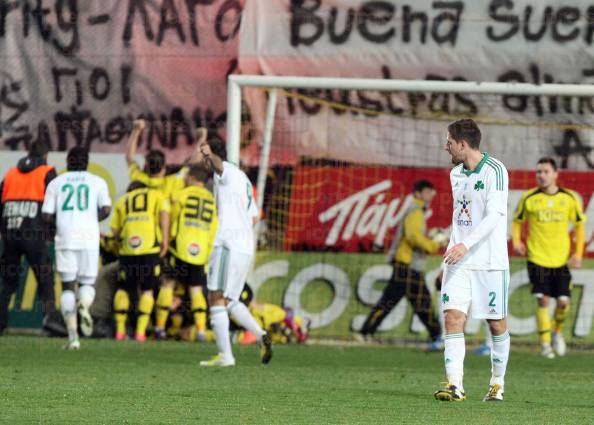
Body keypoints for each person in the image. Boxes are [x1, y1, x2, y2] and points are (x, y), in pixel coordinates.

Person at [434, 119, 510, 403]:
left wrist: (466, 244)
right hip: (458, 260)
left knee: (496, 324)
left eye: (449, 141)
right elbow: (461, 216)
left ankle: (497, 383)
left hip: (489, 262)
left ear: (462, 144)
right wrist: (454, 242)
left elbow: (494, 216)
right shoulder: (455, 174)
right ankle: (455, 385)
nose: (446, 146)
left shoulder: (496, 171)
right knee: (452, 317)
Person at [197, 136, 272, 367]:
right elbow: (254, 216)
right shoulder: (244, 179)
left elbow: (219, 165)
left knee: (215, 297)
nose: (203, 162)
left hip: (228, 244)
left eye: (205, 156)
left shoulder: (225, 172)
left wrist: (209, 154)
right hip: (244, 247)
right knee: (230, 300)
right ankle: (260, 335)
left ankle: (226, 356)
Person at [356, 180, 446, 351]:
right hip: (407, 266)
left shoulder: (416, 211)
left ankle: (365, 332)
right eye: (427, 192)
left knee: (409, 302)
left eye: (431, 193)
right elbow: (413, 237)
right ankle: (437, 337)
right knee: (419, 302)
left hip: (407, 265)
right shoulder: (415, 211)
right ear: (418, 193)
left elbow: (414, 236)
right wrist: (433, 244)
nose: (430, 196)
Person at [512, 157, 585, 359]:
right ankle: (545, 345)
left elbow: (579, 227)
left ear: (555, 174)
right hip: (537, 257)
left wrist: (578, 254)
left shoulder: (569, 198)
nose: (541, 175)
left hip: (561, 260)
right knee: (543, 300)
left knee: (563, 302)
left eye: (545, 171)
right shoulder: (529, 198)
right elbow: (517, 221)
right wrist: (517, 242)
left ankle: (557, 333)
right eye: (538, 172)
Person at [41, 147, 112, 349]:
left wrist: (62, 223)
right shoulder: (98, 182)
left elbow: (46, 215)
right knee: (87, 283)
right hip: (89, 238)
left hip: (65, 238)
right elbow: (106, 209)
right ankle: (85, 305)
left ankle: (73, 339)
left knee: (67, 286)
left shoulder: (56, 183)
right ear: (87, 162)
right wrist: (90, 220)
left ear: (68, 161)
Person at [154, 163, 217, 342]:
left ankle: (159, 327)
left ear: (190, 177)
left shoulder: (181, 194)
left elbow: (172, 220)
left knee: (168, 284)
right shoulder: (212, 201)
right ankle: (201, 330)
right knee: (196, 290)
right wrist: (208, 252)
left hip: (180, 248)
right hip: (201, 252)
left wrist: (169, 239)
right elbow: (214, 229)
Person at [0, 141, 58, 334]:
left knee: (8, 282)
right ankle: (50, 321)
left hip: (10, 232)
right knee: (45, 278)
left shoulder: (10, 174)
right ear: (46, 155)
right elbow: (54, 204)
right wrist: (53, 231)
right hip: (35, 234)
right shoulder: (47, 172)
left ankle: (1, 323)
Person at [110, 181, 170, 341]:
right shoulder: (156, 194)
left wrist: (122, 240)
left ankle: (120, 332)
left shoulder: (123, 200)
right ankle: (140, 333)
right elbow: (164, 213)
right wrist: (165, 238)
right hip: (149, 249)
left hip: (128, 250)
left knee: (123, 288)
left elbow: (115, 230)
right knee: (148, 290)